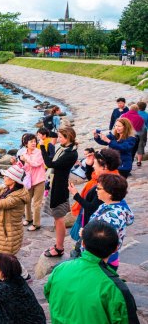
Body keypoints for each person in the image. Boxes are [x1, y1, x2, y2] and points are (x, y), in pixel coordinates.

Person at [45, 220, 139, 324]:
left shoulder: (60, 268)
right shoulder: (115, 288)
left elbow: (48, 294)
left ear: (83, 244)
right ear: (115, 248)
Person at [0, 164, 30, 279]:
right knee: (8, 258)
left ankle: (3, 278)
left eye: (6, 176)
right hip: (4, 231)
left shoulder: (16, 197)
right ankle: (24, 276)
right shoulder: (7, 189)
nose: (4, 177)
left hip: (9, 234)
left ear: (12, 180)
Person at [40, 127, 78, 257]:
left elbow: (50, 163)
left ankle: (60, 248)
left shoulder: (70, 154)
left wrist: (42, 148)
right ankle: (58, 244)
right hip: (55, 184)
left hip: (60, 188)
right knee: (56, 218)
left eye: (61, 137)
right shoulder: (64, 149)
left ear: (68, 138)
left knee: (59, 218)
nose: (58, 139)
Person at [89, 174, 134, 270]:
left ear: (110, 193)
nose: (96, 190)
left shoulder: (112, 217)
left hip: (102, 260)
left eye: (99, 188)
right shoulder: (119, 204)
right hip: (111, 256)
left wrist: (84, 233)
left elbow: (102, 240)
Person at [19, 134, 46, 231]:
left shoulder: (39, 152)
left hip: (39, 180)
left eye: (35, 141)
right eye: (31, 142)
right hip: (29, 181)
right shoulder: (24, 153)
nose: (34, 143)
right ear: (26, 143)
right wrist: (20, 163)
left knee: (37, 203)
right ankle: (28, 218)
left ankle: (36, 224)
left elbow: (36, 164)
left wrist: (26, 159)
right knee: (27, 200)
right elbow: (26, 168)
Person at [137, 101, 148, 167]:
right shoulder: (147, 115)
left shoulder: (135, 114)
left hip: (134, 131)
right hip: (143, 132)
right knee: (141, 145)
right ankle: (139, 162)